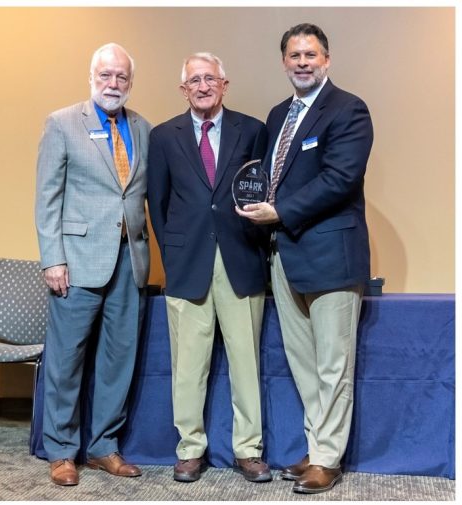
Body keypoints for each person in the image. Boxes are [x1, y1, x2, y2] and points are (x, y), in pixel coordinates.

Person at [236, 23, 373, 494]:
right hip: (285, 257)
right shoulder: (278, 115)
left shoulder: (349, 109)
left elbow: (341, 178)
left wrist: (279, 211)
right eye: (293, 55)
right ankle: (317, 449)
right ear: (284, 62)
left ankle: (328, 458)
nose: (302, 62)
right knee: (305, 365)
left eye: (310, 54)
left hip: (332, 257)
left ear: (327, 59)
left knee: (334, 365)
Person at [146, 52, 270, 483]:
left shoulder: (253, 131)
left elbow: (260, 192)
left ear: (224, 84)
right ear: (184, 89)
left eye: (210, 79)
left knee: (245, 363)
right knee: (188, 365)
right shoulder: (163, 136)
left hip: (240, 262)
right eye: (194, 80)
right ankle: (190, 449)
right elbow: (157, 204)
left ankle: (249, 450)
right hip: (187, 265)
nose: (203, 86)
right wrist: (173, 252)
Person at [34, 43, 151, 486]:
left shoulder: (143, 128)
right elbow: (47, 197)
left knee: (119, 359)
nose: (113, 84)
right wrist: (53, 259)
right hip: (76, 262)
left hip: (130, 260)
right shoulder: (63, 123)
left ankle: (104, 447)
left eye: (121, 77)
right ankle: (62, 451)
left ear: (130, 82)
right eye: (105, 75)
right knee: (66, 360)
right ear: (91, 77)